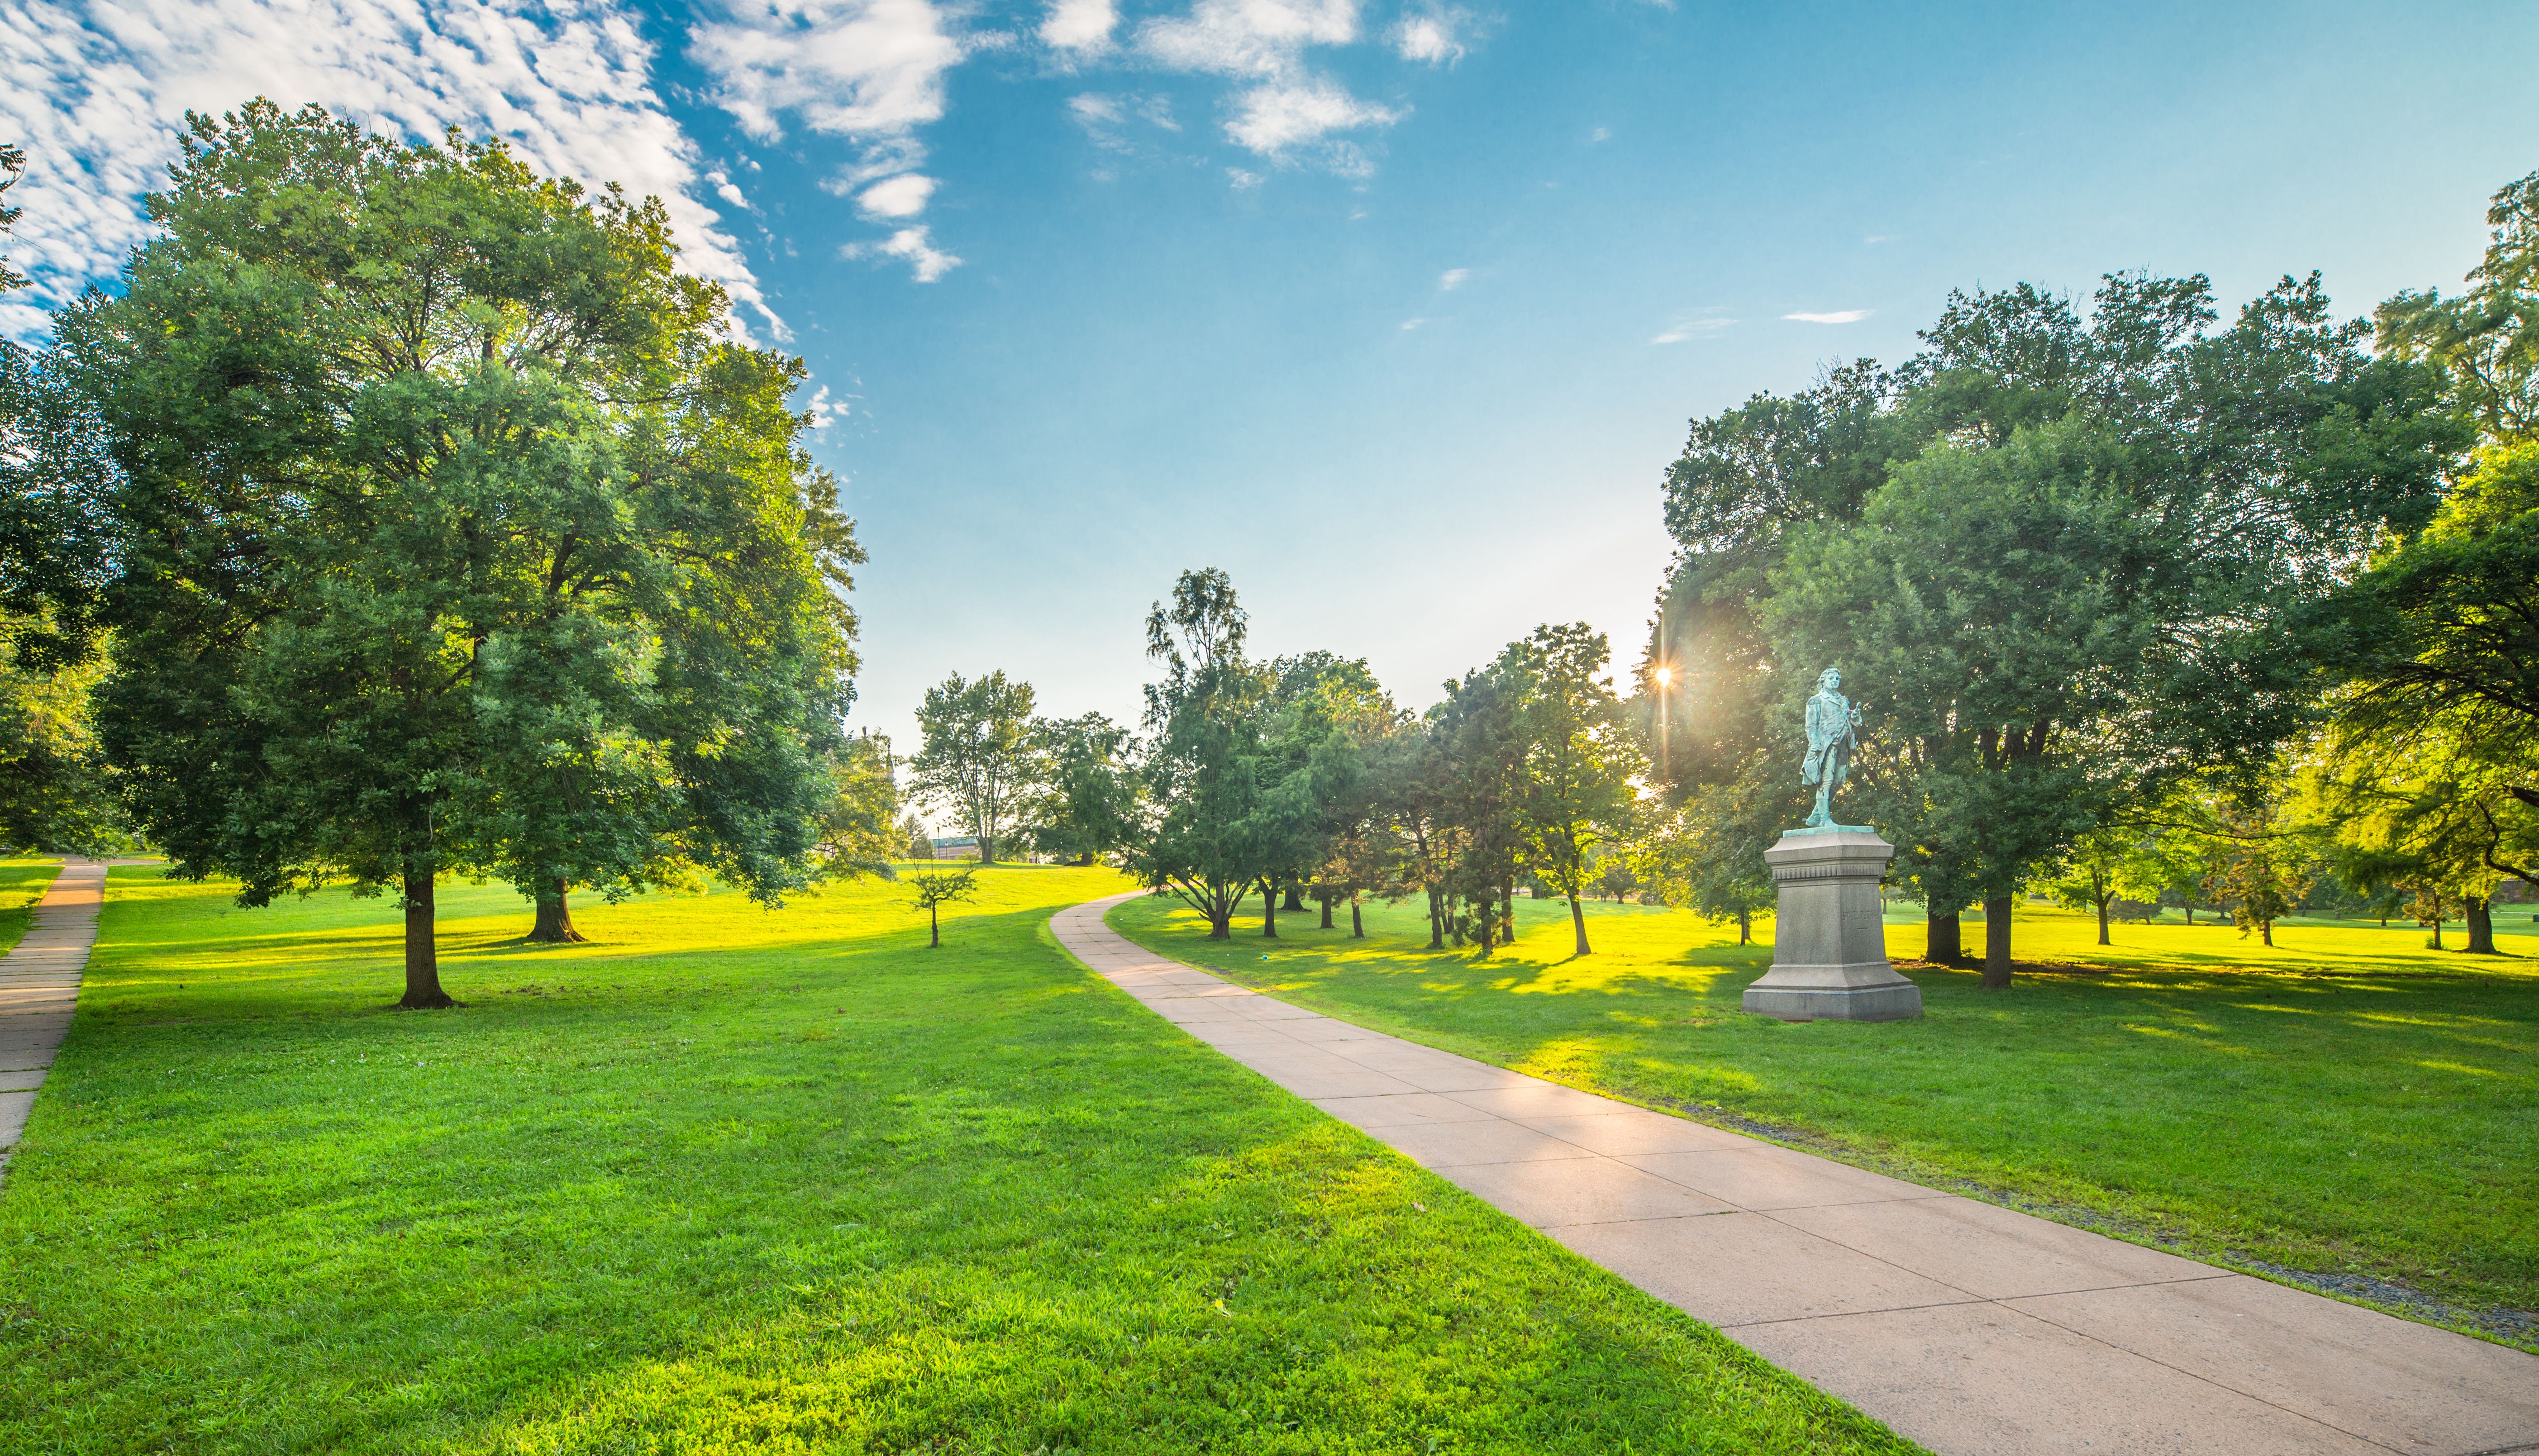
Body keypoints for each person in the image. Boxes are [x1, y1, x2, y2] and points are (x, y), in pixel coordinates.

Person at [1801, 667, 1864, 828]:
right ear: (1823, 681)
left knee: (1839, 781)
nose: (1835, 681)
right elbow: (1811, 726)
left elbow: (1852, 721)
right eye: (1831, 678)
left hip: (1844, 743)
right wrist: (1815, 746)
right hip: (1826, 745)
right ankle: (1825, 819)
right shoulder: (1816, 700)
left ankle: (1815, 816)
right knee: (1826, 781)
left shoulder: (1844, 701)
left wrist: (1855, 717)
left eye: (1837, 679)